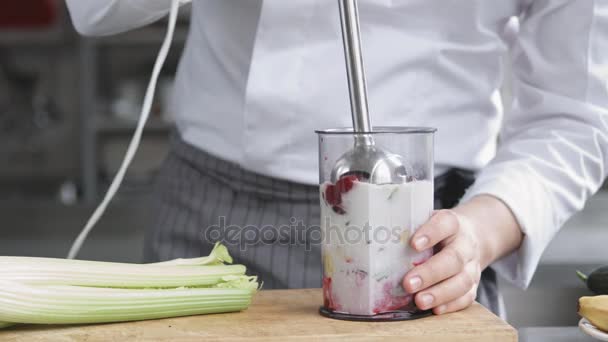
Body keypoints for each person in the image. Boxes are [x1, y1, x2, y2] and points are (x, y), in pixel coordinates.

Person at [65, 1, 608, 318]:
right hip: (212, 221)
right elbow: (94, 10)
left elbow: (575, 116)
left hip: (425, 236)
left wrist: (479, 233)